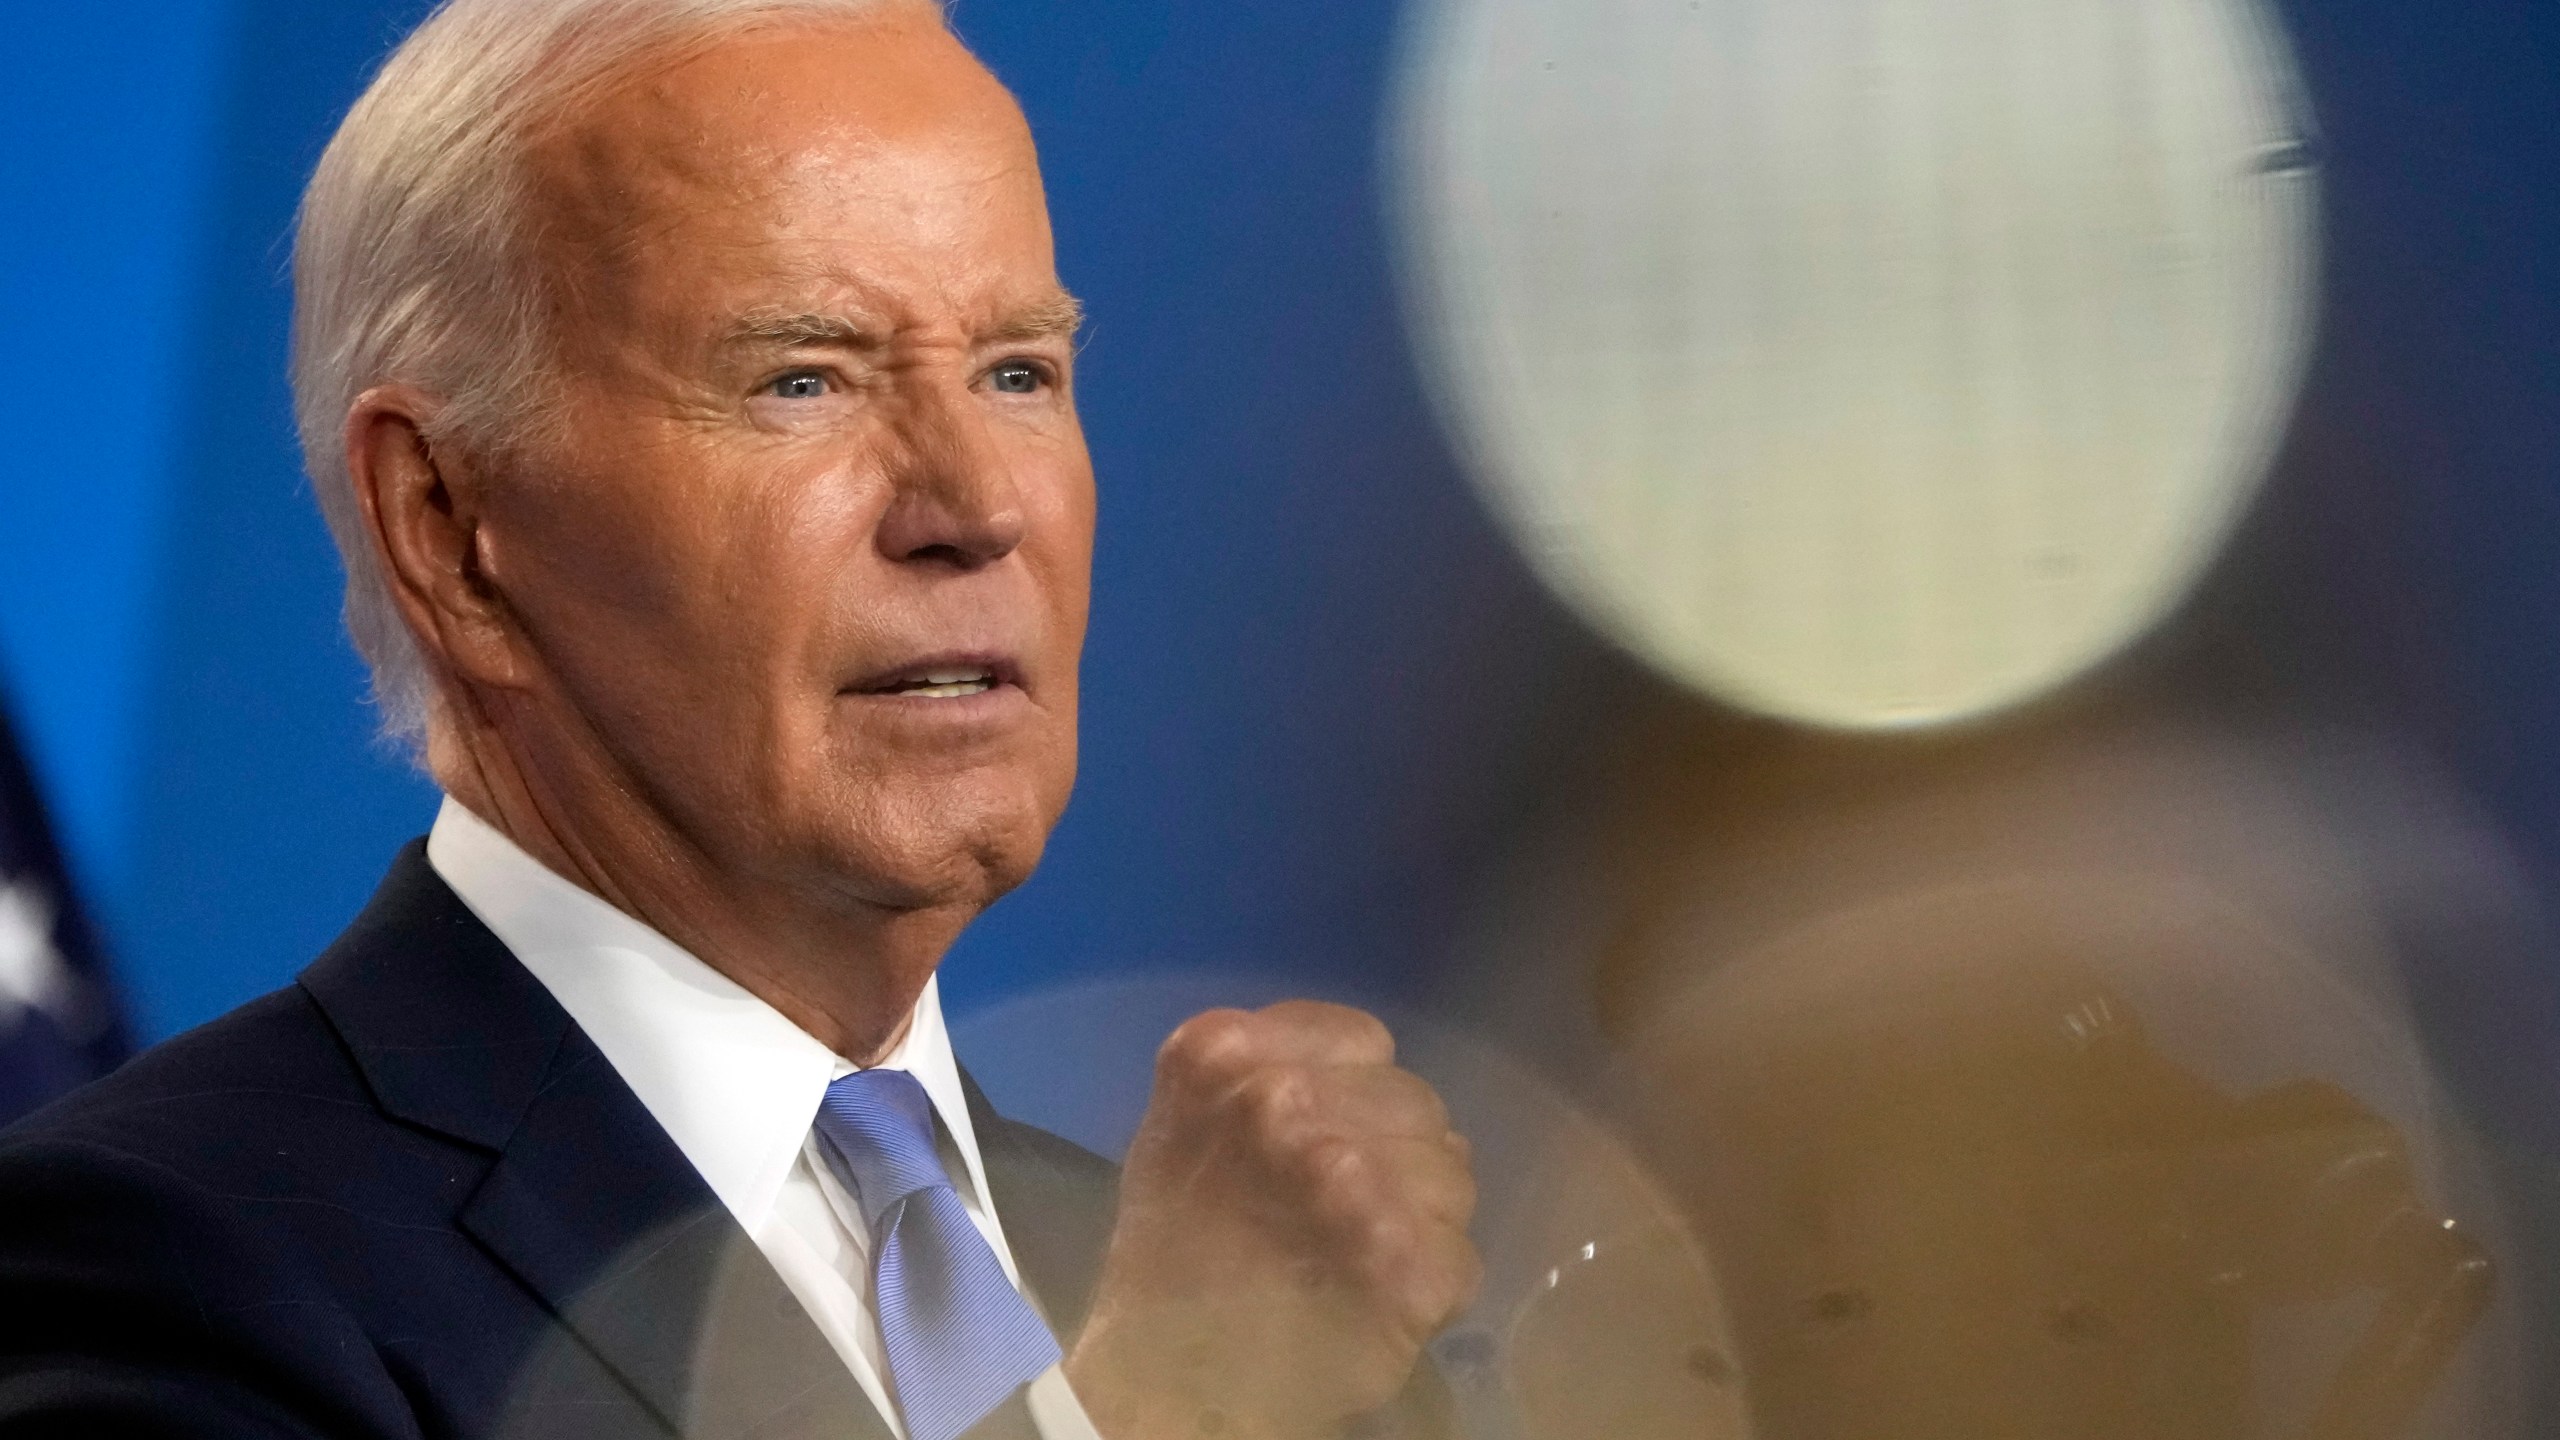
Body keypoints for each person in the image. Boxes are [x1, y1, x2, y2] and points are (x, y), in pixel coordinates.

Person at [0, 2, 1480, 1437]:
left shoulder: (1244, 1296)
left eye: (1018, 371)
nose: (975, 508)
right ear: (448, 524)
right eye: (803, 379)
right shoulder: (153, 1268)